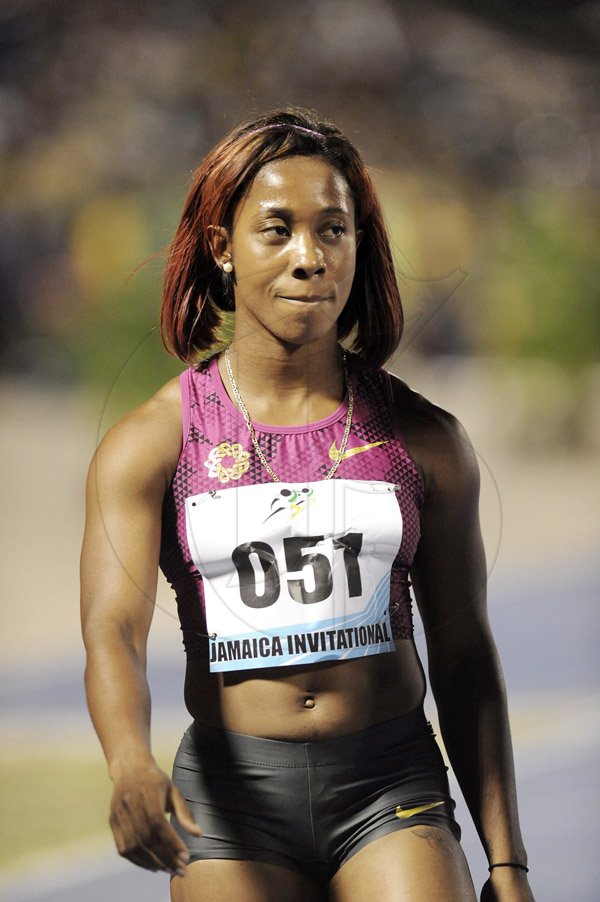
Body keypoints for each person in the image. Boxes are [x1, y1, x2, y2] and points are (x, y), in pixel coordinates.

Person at [81, 108, 535, 902]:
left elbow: (464, 658)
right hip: (230, 803)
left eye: (333, 230)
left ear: (359, 247)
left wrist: (507, 862)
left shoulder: (424, 440)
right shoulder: (151, 443)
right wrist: (128, 762)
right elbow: (113, 630)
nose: (309, 257)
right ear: (223, 248)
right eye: (277, 230)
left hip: (390, 786)